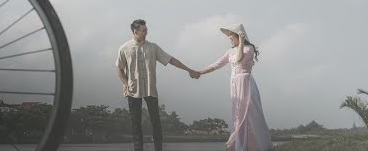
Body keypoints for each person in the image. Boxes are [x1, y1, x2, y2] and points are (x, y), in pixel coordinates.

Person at [116, 19, 200, 151]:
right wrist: (126, 84)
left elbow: (171, 60)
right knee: (136, 125)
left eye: (146, 30)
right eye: (143, 30)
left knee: (156, 123)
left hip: (151, 89)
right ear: (135, 31)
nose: (146, 32)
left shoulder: (153, 47)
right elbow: (119, 69)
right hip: (133, 91)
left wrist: (189, 70)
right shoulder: (124, 48)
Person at [195, 24, 272, 151]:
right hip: (234, 84)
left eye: (232, 37)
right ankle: (240, 144)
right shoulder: (230, 51)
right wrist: (200, 72)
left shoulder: (249, 48)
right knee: (238, 113)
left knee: (251, 113)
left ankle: (258, 145)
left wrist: (241, 43)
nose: (230, 39)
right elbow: (217, 64)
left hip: (246, 82)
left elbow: (239, 58)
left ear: (239, 36)